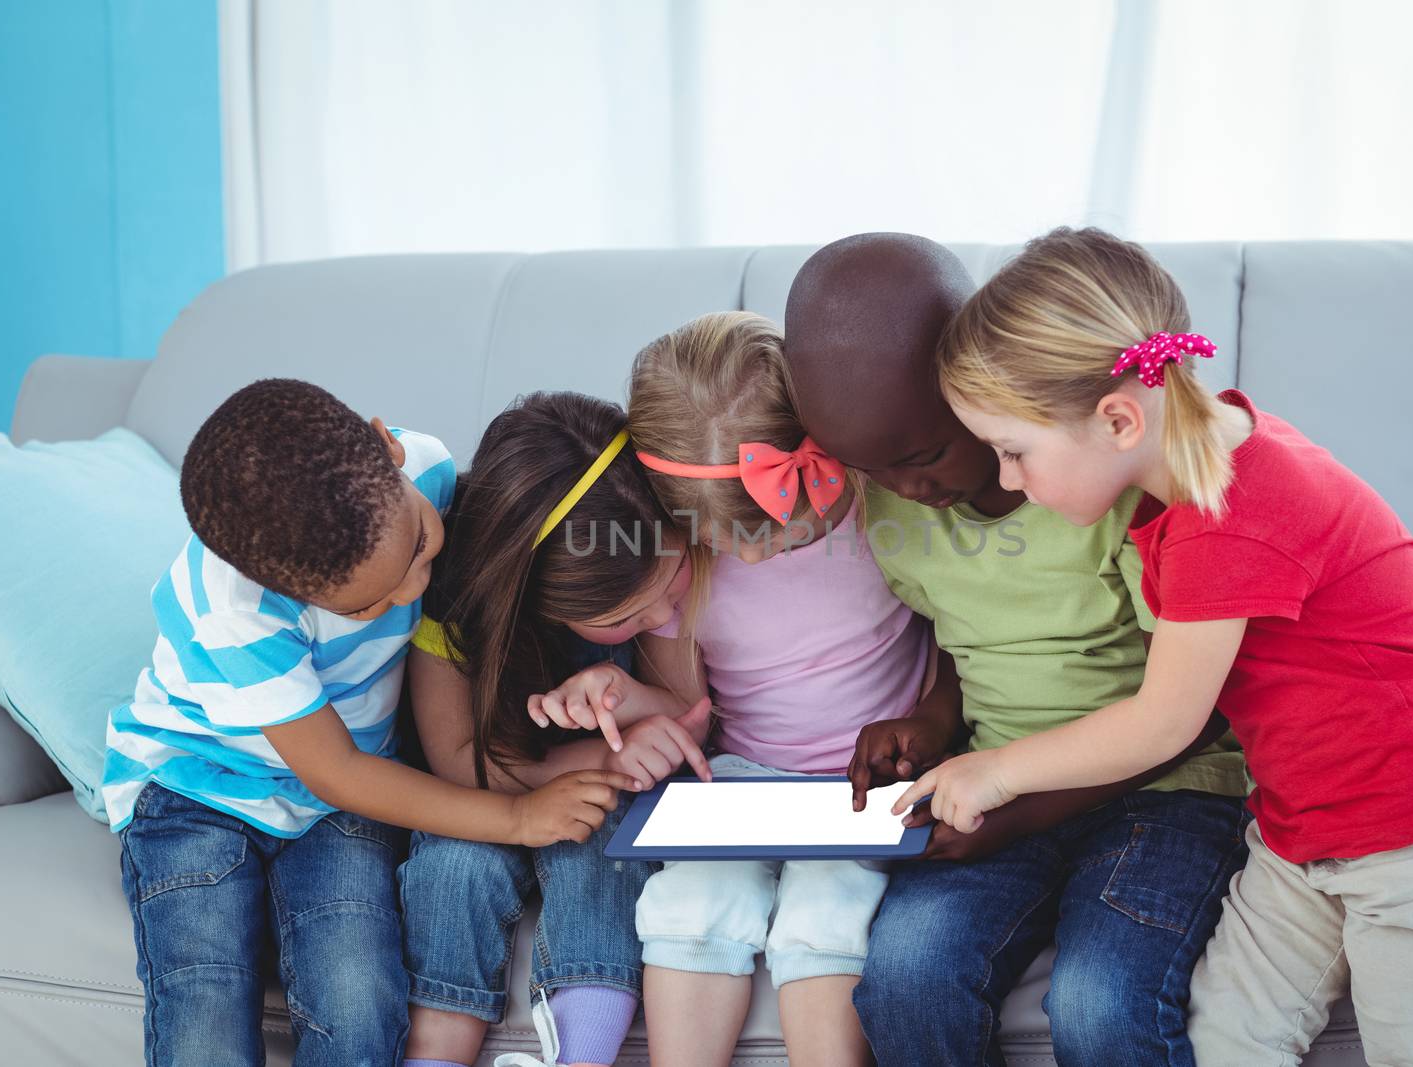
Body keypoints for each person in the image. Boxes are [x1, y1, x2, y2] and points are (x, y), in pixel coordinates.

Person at [904, 225, 1413, 1066]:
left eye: (1013, 451)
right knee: (1225, 1045)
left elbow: (1162, 724)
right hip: (1301, 833)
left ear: (1119, 417)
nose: (1008, 479)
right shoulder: (1204, 457)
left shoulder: (1230, 512)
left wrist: (994, 768)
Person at [782, 234, 1251, 1067]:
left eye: (923, 453)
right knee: (906, 977)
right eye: (869, 470)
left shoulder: (1108, 486)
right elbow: (968, 642)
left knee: (1098, 1004)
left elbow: (1186, 710)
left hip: (1165, 786)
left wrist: (1019, 807)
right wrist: (929, 721)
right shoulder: (894, 508)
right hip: (998, 781)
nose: (905, 490)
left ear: (977, 385)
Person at [102, 379, 631, 1067]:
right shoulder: (237, 604)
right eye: (366, 607)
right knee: (204, 1000)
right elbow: (339, 772)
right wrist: (519, 816)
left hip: (332, 802)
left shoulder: (432, 471)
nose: (414, 591)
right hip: (198, 790)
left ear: (388, 445)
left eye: (418, 545)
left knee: (358, 1001)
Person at [536, 311, 938, 1067]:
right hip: (741, 775)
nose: (756, 554)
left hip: (870, 782)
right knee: (688, 903)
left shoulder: (881, 507)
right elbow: (687, 709)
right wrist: (617, 695)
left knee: (826, 914)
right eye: (730, 539)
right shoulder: (679, 564)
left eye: (780, 527)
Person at [400, 391, 711, 1067]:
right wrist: (567, 771)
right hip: (490, 784)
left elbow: (690, 705)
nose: (667, 608)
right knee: (453, 867)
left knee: (601, 841)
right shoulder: (454, 591)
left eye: (672, 576)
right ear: (543, 603)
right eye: (632, 613)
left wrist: (631, 698)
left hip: (598, 795)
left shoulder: (643, 528)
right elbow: (456, 757)